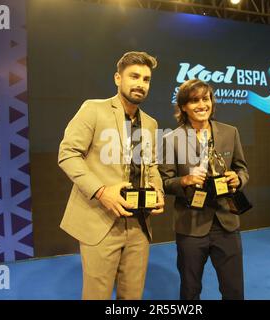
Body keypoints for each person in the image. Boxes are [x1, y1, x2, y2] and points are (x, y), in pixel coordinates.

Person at [58, 51, 164, 300]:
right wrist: (102, 191)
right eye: (134, 76)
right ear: (118, 78)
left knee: (132, 297)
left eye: (146, 79)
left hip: (139, 225)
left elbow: (152, 167)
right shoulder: (93, 109)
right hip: (100, 221)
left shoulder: (150, 123)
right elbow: (68, 154)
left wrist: (157, 190)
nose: (140, 84)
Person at [159, 79, 249, 300]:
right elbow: (164, 181)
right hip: (191, 226)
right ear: (183, 107)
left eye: (205, 99)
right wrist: (186, 180)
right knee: (190, 291)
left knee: (234, 291)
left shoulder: (230, 132)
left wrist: (238, 179)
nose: (202, 104)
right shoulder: (171, 139)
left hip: (226, 224)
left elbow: (242, 169)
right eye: (194, 100)